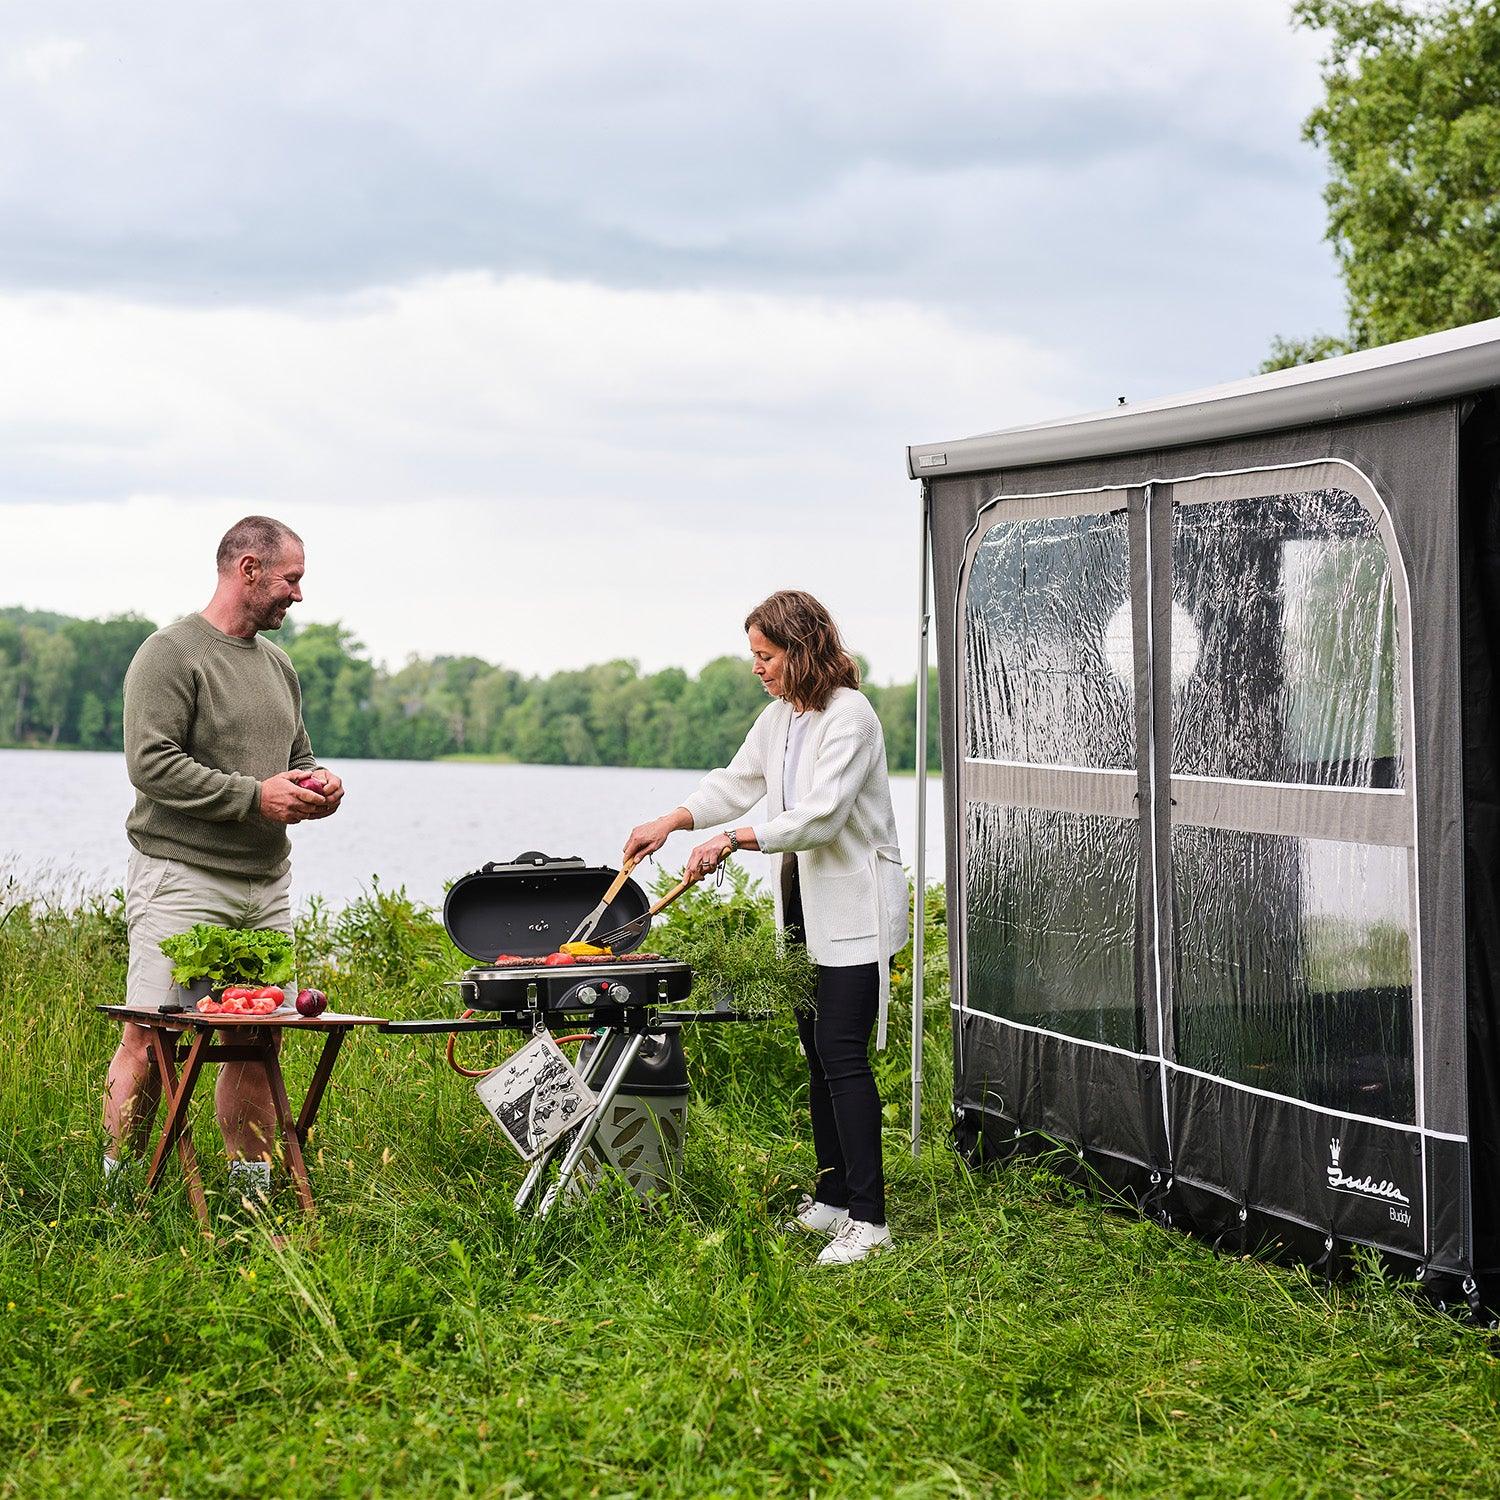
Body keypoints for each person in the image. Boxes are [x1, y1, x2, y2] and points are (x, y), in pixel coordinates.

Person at [625, 590, 907, 1265]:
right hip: (804, 910)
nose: (758, 667)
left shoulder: (851, 718)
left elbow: (822, 815)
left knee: (842, 1056)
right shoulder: (781, 718)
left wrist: (733, 841)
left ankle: (870, 1221)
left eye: (766, 655)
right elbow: (735, 781)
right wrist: (673, 821)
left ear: (800, 650)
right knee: (817, 1056)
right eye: (755, 655)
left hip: (856, 913)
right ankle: (834, 1198)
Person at [103, 515, 345, 1202]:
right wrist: (252, 798)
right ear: (247, 569)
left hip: (264, 888)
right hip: (182, 883)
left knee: (256, 1042)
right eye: (290, 579)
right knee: (153, 1042)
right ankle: (118, 1191)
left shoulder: (278, 666)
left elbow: (292, 762)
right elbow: (150, 765)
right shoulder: (170, 654)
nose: (297, 595)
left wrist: (317, 783)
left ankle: (250, 1195)